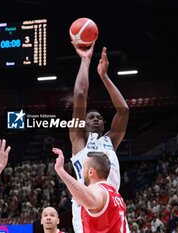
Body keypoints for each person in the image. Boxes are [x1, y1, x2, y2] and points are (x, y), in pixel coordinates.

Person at [69, 42, 129, 232]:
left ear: (104, 125)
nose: (96, 120)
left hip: (113, 201)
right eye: (91, 117)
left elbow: (124, 111)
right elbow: (79, 94)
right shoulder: (78, 140)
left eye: (99, 118)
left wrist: (104, 76)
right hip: (87, 203)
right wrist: (85, 61)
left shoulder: (109, 141)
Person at [52, 148, 128, 232]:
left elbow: (90, 199)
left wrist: (61, 171)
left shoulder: (98, 190)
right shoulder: (116, 194)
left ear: (91, 172)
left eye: (84, 168)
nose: (82, 171)